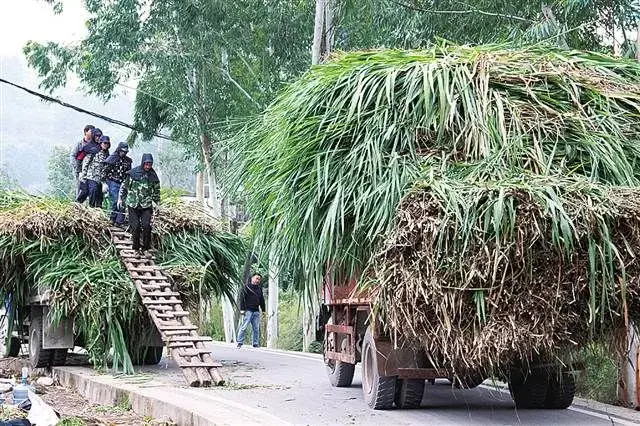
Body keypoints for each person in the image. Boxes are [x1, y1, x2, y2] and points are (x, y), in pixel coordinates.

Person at [118, 153, 160, 255]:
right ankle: (136, 248)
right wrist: (120, 199)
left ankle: (145, 248)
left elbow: (156, 192)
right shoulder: (133, 174)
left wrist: (157, 204)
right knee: (135, 227)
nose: (148, 167)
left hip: (146, 205)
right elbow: (124, 187)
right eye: (146, 164)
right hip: (133, 204)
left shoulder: (153, 176)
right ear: (142, 163)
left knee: (146, 226)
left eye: (150, 164)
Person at [103, 142, 132, 226]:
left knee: (122, 202)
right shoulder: (111, 159)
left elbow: (128, 173)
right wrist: (104, 183)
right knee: (116, 200)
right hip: (113, 182)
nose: (124, 153)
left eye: (125, 152)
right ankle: (112, 218)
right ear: (119, 150)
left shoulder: (128, 161)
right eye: (123, 151)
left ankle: (119, 221)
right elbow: (104, 172)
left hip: (122, 183)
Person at [80, 135, 110, 208]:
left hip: (100, 179)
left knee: (99, 196)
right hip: (91, 176)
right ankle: (91, 208)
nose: (106, 145)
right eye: (104, 143)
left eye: (107, 143)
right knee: (92, 191)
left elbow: (106, 169)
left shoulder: (107, 154)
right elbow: (86, 162)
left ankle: (98, 210)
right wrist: (83, 175)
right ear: (101, 143)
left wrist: (105, 182)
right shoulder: (94, 151)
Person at [236, 274, 265, 348]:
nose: (257, 280)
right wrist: (242, 309)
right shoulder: (246, 287)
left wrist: (263, 310)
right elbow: (242, 299)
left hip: (256, 311)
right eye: (256, 278)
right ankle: (240, 342)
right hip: (248, 310)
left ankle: (255, 343)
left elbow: (262, 300)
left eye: (259, 279)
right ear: (252, 278)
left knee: (256, 328)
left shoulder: (259, 289)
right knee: (244, 326)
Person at [76, 132, 101, 204]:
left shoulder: (102, 147)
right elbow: (79, 159)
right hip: (85, 173)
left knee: (95, 192)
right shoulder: (87, 147)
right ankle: (77, 205)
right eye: (96, 136)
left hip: (95, 175)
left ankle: (92, 207)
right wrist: (80, 172)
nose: (98, 138)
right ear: (93, 136)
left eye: (99, 136)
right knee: (84, 191)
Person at [71, 124, 94, 199]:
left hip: (90, 171)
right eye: (91, 131)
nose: (93, 133)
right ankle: (78, 205)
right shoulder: (79, 144)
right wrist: (77, 168)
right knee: (79, 187)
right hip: (80, 170)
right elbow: (73, 156)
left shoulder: (94, 145)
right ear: (85, 132)